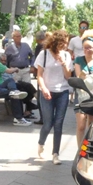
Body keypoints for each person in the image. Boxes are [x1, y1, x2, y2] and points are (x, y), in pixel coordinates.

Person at [34, 30, 73, 165]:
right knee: (48, 123)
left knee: (58, 123)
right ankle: (41, 143)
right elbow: (39, 74)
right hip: (47, 92)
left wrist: (63, 63)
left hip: (62, 92)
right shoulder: (44, 54)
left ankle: (55, 153)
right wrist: (43, 88)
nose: (66, 46)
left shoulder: (66, 56)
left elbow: (68, 76)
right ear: (57, 42)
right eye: (64, 43)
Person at [0, 49, 38, 119]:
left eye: (5, 61)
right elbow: (9, 71)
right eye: (1, 60)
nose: (3, 62)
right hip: (1, 84)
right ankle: (34, 100)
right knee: (22, 88)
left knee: (26, 87)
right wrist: (16, 69)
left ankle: (30, 104)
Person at [73, 36, 93, 142]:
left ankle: (89, 147)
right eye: (85, 47)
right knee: (81, 125)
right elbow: (79, 77)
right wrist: (85, 71)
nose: (88, 50)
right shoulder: (79, 60)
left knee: (91, 125)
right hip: (81, 94)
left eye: (90, 47)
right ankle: (79, 151)